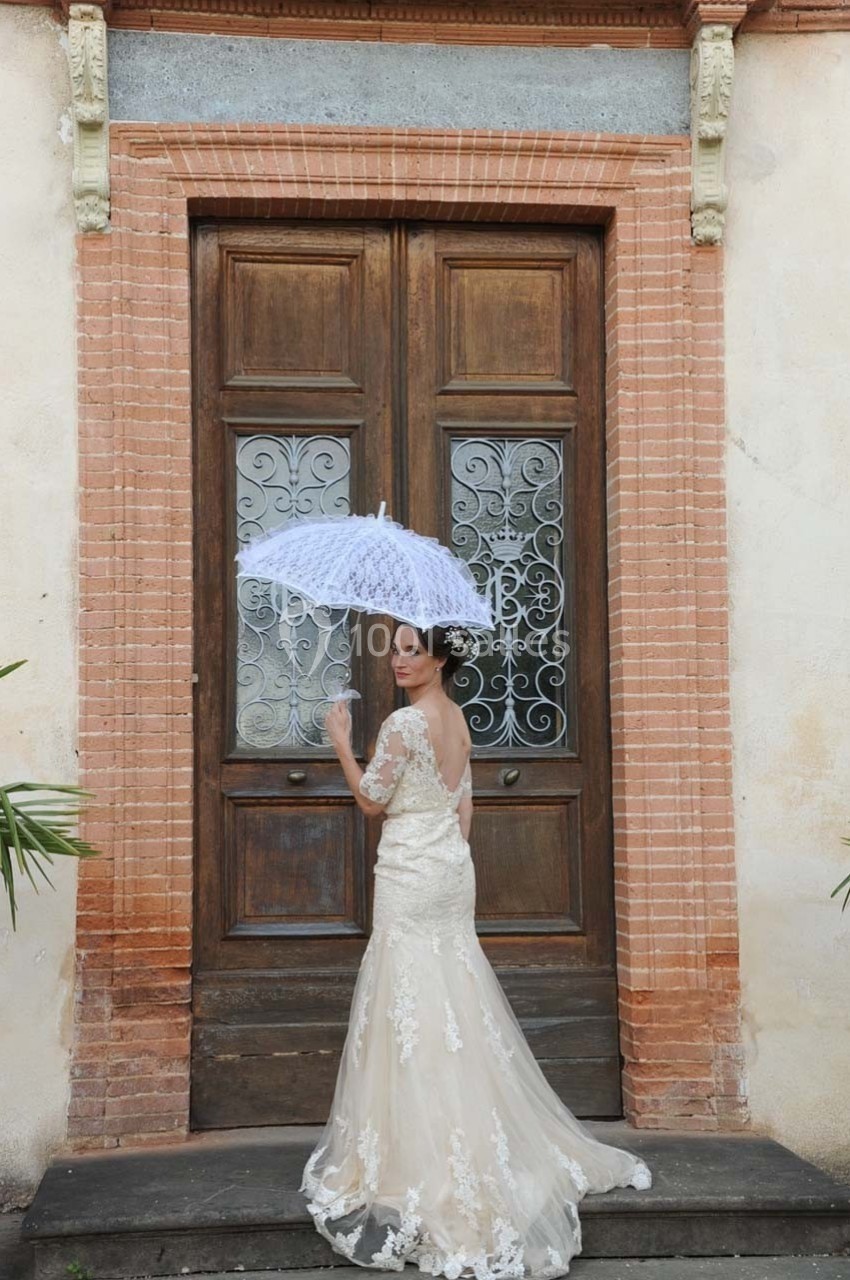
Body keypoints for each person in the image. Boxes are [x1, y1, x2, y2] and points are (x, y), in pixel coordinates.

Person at [299, 621, 651, 1279]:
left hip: (409, 869)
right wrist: (452, 856)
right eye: (396, 650)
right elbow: (464, 806)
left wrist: (341, 743)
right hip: (450, 867)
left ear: (438, 658)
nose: (399, 661)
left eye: (412, 651)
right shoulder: (458, 719)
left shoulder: (404, 726)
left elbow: (372, 801)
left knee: (410, 998)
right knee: (450, 997)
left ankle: (422, 1153)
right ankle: (463, 1133)